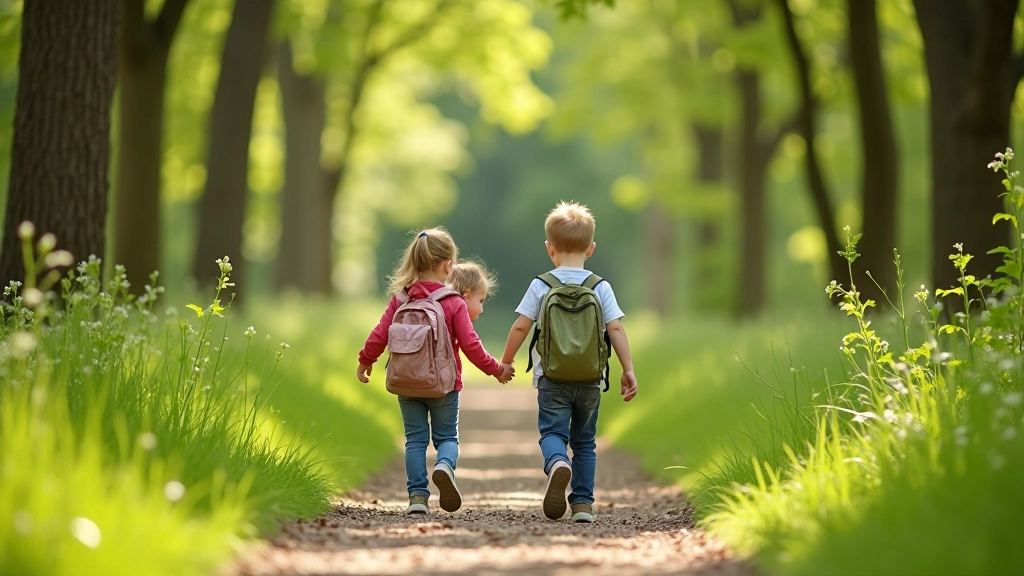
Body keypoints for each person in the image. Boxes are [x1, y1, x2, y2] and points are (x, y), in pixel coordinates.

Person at [357, 228, 513, 515]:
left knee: (415, 440)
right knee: (447, 439)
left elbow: (380, 334)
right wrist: (496, 369)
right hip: (444, 385)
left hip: (405, 383)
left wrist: (366, 360)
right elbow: (471, 344)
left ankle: (417, 497)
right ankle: (444, 466)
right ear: (447, 265)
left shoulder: (401, 300)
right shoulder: (452, 301)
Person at [498, 201, 638, 523]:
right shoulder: (599, 286)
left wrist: (505, 362)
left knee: (552, 433)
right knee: (586, 442)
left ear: (550, 249)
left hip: (552, 378)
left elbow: (521, 325)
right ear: (591, 248)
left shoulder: (542, 284)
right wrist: (627, 369)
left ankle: (558, 462)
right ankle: (583, 506)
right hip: (589, 378)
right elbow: (615, 328)